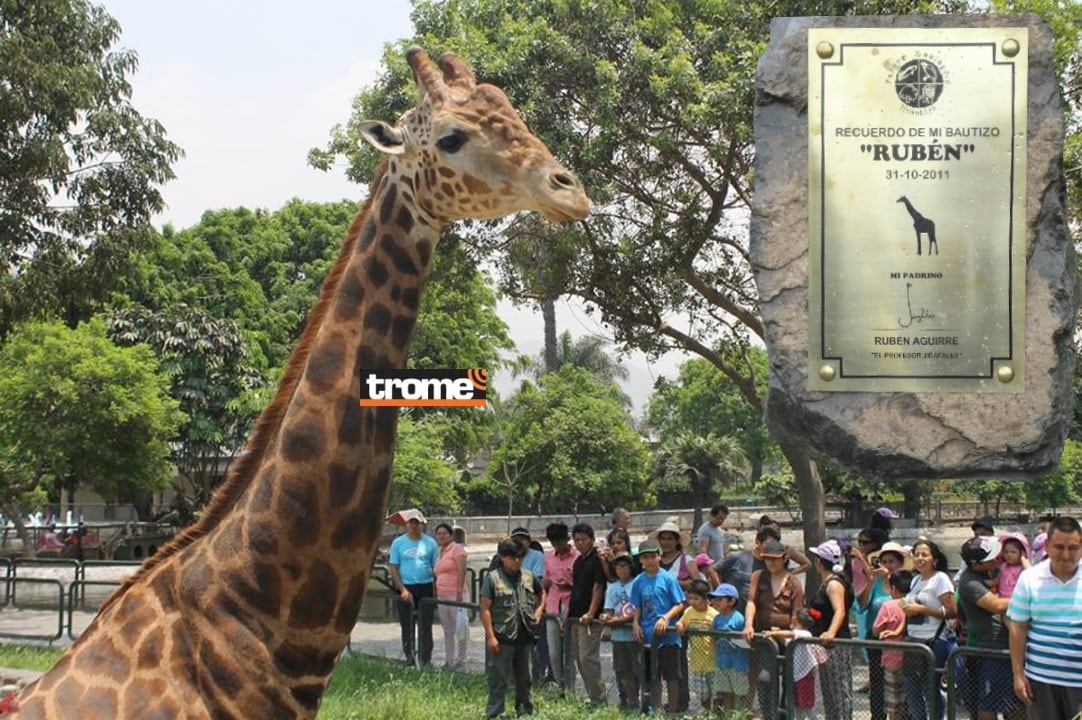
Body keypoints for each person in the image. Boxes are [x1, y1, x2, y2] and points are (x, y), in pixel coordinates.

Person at [1007, 515, 1082, 719]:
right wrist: (1018, 675)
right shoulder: (1030, 578)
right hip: (1040, 682)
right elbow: (1018, 627)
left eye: (1073, 548)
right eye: (1059, 547)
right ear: (1047, 546)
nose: (1066, 555)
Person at [957, 535, 1024, 720]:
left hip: (1009, 644)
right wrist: (1027, 598)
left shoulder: (991, 572)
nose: (997, 558)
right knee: (989, 702)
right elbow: (995, 605)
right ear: (975, 564)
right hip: (989, 648)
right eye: (991, 557)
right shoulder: (970, 582)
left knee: (1015, 702)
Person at [480, 539, 546, 718]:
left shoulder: (528, 576)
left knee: (525, 679)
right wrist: (491, 637)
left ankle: (524, 711)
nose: (516, 561)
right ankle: (495, 713)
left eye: (519, 557)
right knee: (498, 679)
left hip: (525, 636)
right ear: (502, 558)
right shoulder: (493, 578)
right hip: (502, 637)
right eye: (512, 557)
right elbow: (485, 608)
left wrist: (538, 612)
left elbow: (542, 593)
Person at [743, 538, 804, 720]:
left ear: (784, 558)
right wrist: (748, 624)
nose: (771, 563)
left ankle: (784, 716)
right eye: (767, 559)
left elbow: (797, 613)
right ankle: (768, 714)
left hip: (786, 640)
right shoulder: (758, 576)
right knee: (764, 679)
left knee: (788, 681)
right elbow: (751, 602)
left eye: (775, 559)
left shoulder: (794, 582)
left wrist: (787, 633)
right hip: (764, 638)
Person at [903, 538, 957, 720]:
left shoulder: (940, 579)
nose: (920, 558)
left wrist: (921, 609)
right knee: (912, 688)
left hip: (933, 641)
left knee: (929, 688)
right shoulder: (916, 580)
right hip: (913, 641)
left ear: (934, 559)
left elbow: (951, 611)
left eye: (924, 554)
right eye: (916, 554)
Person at [631, 540, 686, 715]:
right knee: (650, 674)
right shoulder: (639, 581)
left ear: (659, 557)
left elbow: (680, 604)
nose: (649, 561)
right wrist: (635, 623)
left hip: (668, 636)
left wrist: (666, 618)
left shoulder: (668, 578)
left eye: (652, 556)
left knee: (671, 675)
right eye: (645, 557)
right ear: (641, 560)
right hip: (647, 634)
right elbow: (637, 606)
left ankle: (673, 709)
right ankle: (655, 707)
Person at [862, 540, 914, 719]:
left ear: (900, 563)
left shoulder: (907, 583)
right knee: (877, 681)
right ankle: (877, 715)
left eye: (892, 561)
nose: (887, 565)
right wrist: (871, 581)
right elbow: (861, 606)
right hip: (877, 639)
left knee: (902, 683)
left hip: (900, 640)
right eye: (884, 561)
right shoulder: (876, 582)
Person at [652, 520, 699, 711]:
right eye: (662, 538)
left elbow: (699, 583)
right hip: (657, 615)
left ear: (676, 540)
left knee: (679, 660)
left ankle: (681, 700)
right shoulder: (656, 560)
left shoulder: (685, 560)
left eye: (669, 538)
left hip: (679, 616)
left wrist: (680, 583)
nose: (666, 542)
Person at [807, 539, 855, 720]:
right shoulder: (827, 581)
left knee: (839, 689)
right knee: (829, 689)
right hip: (825, 644)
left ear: (819, 561)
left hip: (836, 644)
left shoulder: (834, 583)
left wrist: (831, 633)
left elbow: (840, 611)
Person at [388, 510, 439, 667]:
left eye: (417, 522)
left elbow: (436, 568)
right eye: (411, 522)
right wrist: (401, 588)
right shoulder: (398, 543)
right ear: (406, 524)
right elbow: (394, 567)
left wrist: (436, 592)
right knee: (407, 625)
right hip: (406, 587)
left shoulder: (430, 543)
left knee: (426, 626)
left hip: (425, 587)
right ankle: (409, 657)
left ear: (422, 524)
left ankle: (425, 659)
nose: (414, 525)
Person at [567, 522, 607, 705]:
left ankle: (600, 697)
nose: (580, 543)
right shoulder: (578, 561)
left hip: (590, 619)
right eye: (577, 540)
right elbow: (576, 590)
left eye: (583, 539)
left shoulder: (596, 560)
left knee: (588, 658)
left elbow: (598, 586)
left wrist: (591, 612)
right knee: (578, 657)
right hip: (575, 616)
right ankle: (592, 696)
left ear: (591, 540)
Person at [764, 608, 829, 720]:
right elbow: (786, 642)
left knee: (807, 707)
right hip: (797, 675)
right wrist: (778, 634)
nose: (791, 626)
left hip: (805, 674)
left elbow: (792, 633)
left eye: (794, 624)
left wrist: (775, 633)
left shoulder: (806, 633)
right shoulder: (796, 638)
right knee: (798, 705)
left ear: (802, 623)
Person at [873, 569, 915, 720]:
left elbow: (876, 630)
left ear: (893, 588)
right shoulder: (913, 603)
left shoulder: (888, 605)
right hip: (913, 658)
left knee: (894, 703)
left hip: (892, 660)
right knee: (912, 700)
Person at [601, 551, 640, 711]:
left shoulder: (637, 583)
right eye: (617, 565)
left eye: (624, 565)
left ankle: (645, 701)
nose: (621, 569)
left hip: (635, 634)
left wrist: (619, 620)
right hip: (619, 636)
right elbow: (609, 609)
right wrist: (606, 618)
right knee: (624, 671)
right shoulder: (612, 587)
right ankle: (631, 701)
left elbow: (638, 609)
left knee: (639, 669)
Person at [541, 521, 577, 688]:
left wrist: (570, 584)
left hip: (571, 606)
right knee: (554, 652)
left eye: (560, 543)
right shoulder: (548, 557)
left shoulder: (577, 557)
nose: (558, 546)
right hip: (553, 606)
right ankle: (559, 683)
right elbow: (546, 580)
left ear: (567, 539)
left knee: (570, 651)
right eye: (554, 543)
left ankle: (570, 687)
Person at [676, 579, 718, 711]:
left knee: (717, 694)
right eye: (690, 598)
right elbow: (681, 622)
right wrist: (680, 625)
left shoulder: (714, 614)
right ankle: (706, 714)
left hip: (714, 662)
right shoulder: (689, 611)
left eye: (696, 598)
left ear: (706, 599)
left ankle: (718, 716)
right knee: (703, 694)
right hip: (697, 663)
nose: (692, 602)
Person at [433, 521, 468, 669]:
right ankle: (449, 660)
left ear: (451, 535)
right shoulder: (440, 551)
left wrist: (459, 591)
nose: (441, 536)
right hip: (442, 595)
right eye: (439, 534)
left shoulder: (457, 549)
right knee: (447, 630)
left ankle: (461, 658)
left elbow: (462, 570)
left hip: (456, 594)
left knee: (460, 627)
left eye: (444, 533)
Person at [710, 582, 749, 714]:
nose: (716, 602)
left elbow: (746, 643)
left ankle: (740, 715)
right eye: (715, 599)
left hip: (737, 664)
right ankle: (728, 715)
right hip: (722, 662)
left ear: (731, 601)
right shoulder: (717, 618)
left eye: (720, 599)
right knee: (726, 692)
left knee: (740, 693)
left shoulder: (739, 619)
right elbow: (713, 636)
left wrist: (733, 640)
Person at [713, 541, 754, 613]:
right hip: (732, 610)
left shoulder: (764, 563)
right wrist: (721, 590)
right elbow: (713, 570)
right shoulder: (734, 557)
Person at [996, 532, 1031, 602]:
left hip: (1016, 599)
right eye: (1006, 552)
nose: (1009, 555)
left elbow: (1030, 573)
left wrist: (1023, 559)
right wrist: (994, 582)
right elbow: (999, 578)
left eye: (1013, 552)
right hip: (1002, 598)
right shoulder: (1003, 566)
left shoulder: (1021, 568)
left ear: (1021, 553)